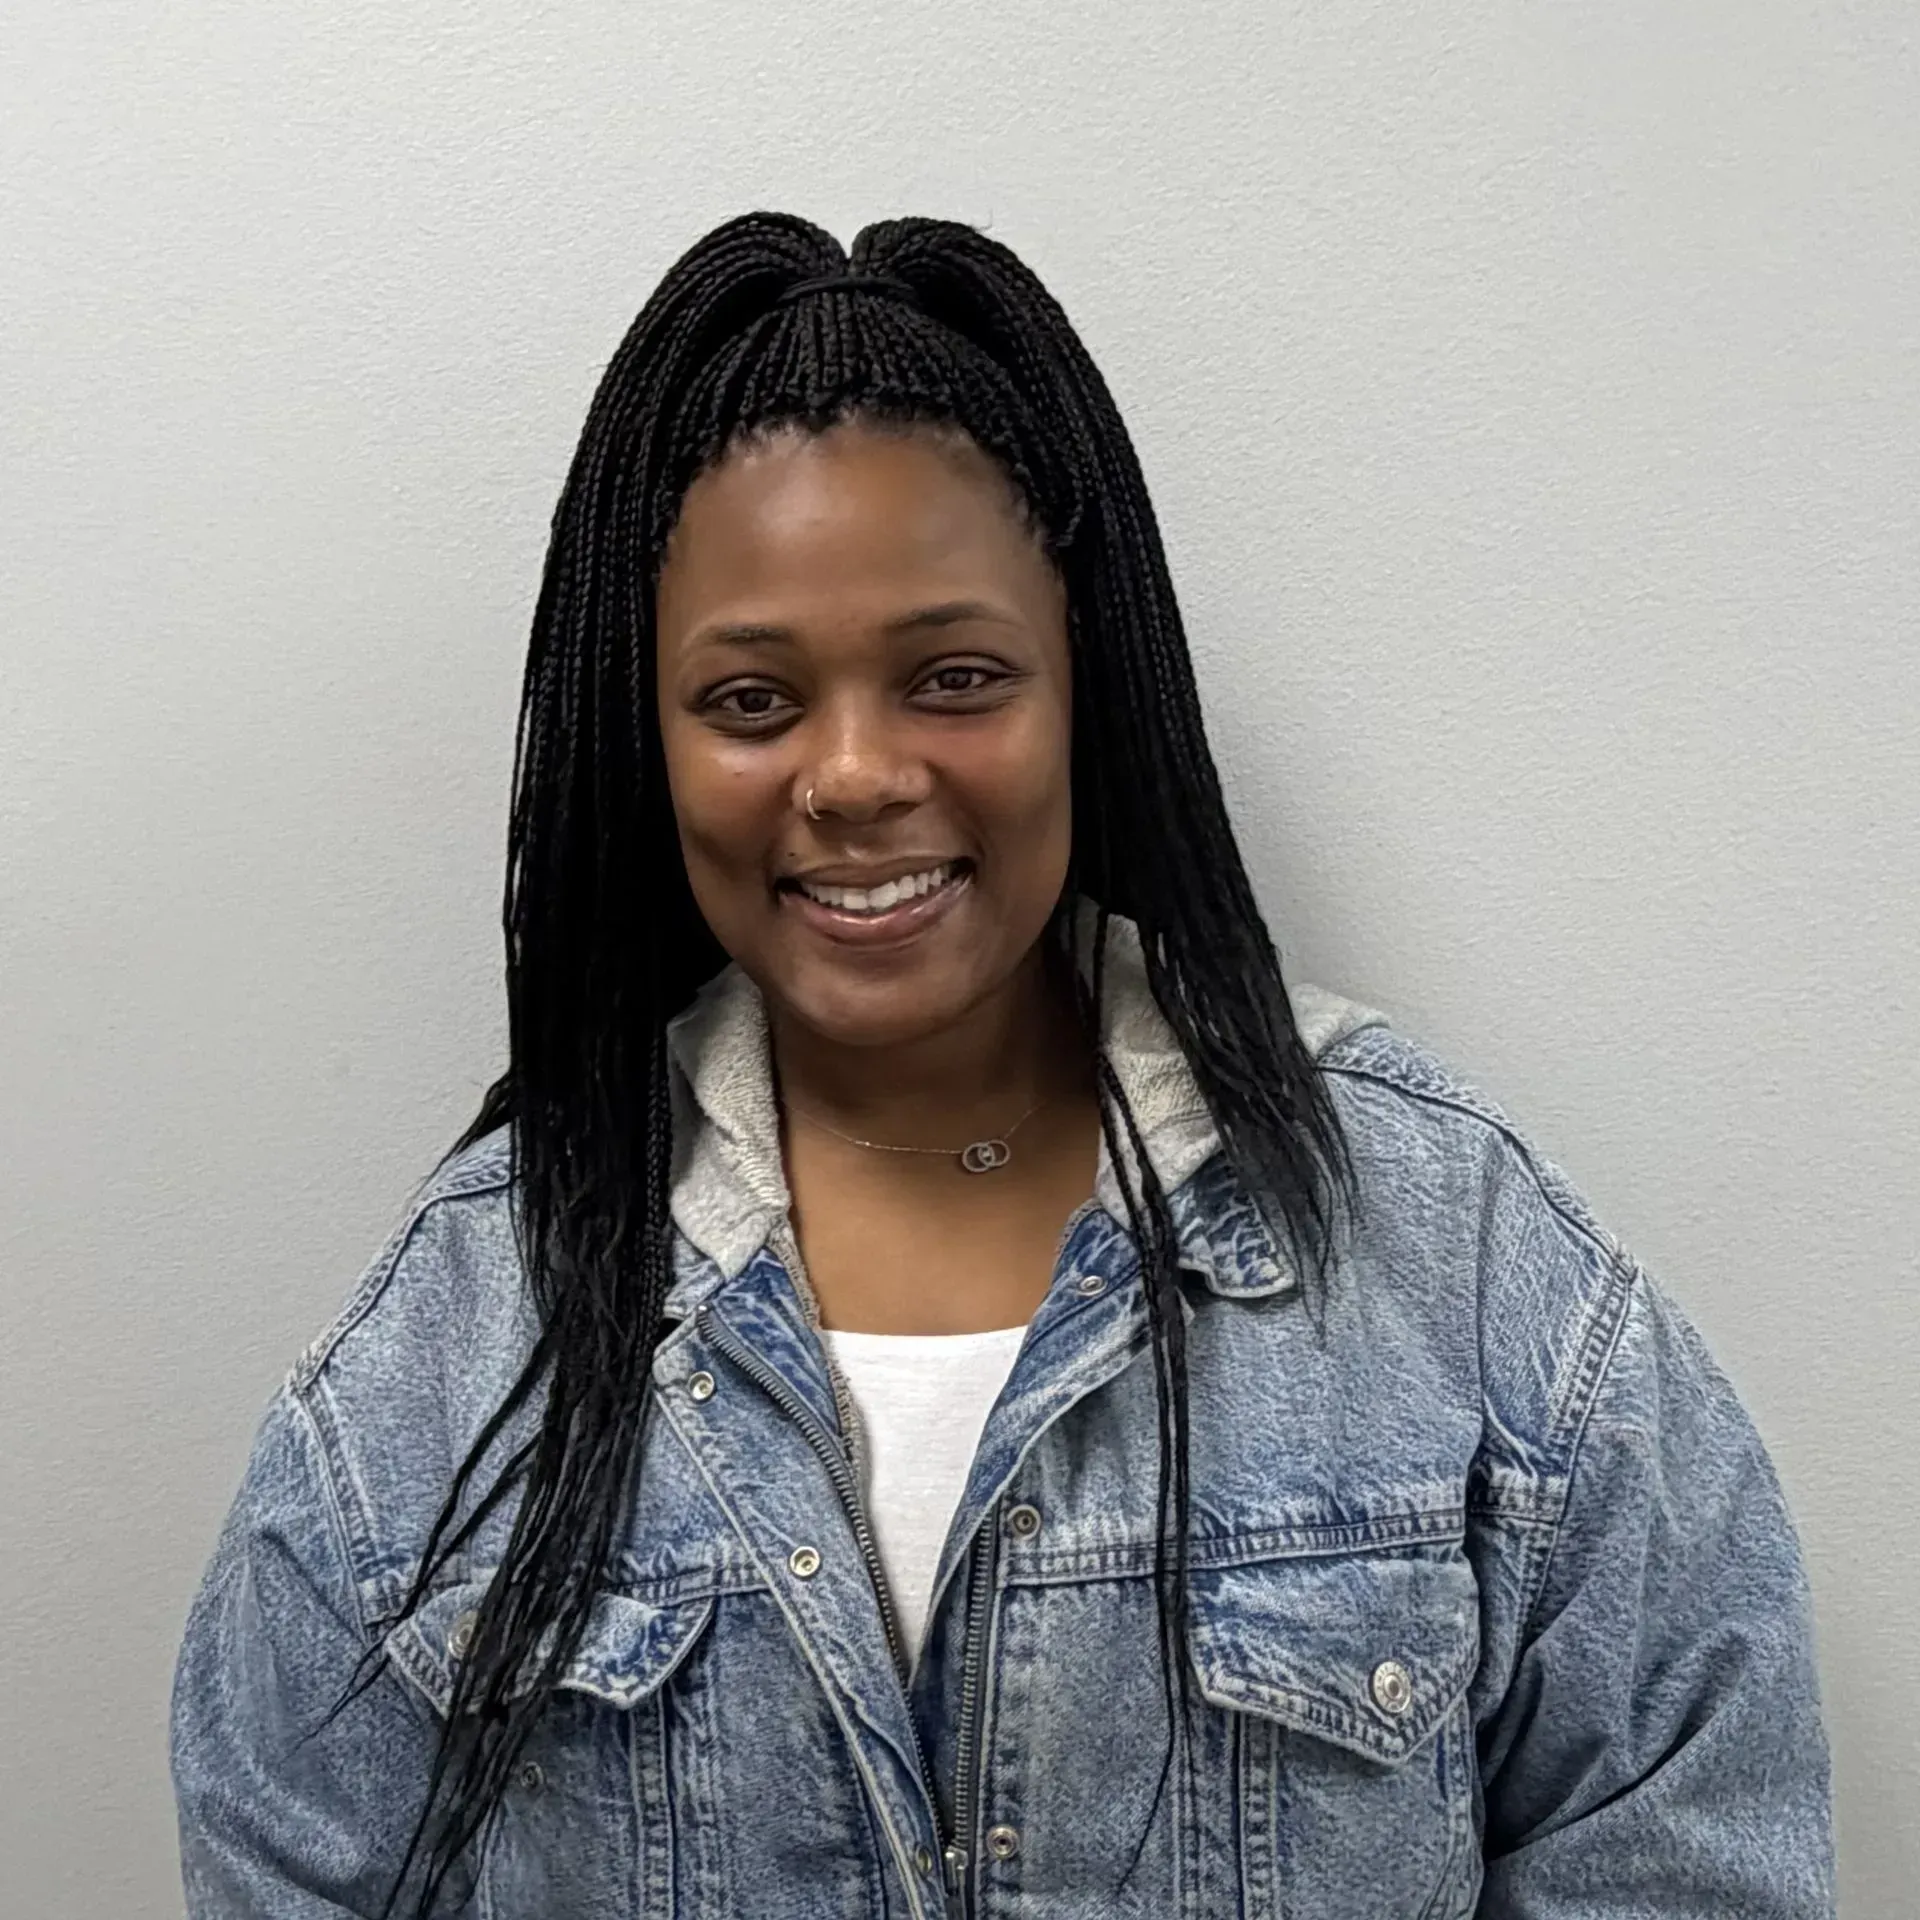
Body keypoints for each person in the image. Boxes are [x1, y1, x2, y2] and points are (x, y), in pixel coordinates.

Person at [169, 212, 1834, 1919]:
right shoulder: (444, 1353)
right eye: (750, 702)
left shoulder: (1459, 1269)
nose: (855, 772)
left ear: (1082, 691)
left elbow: (1687, 1847)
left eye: (954, 677)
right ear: (646, 738)